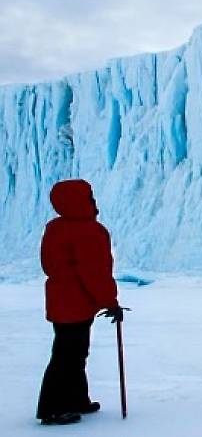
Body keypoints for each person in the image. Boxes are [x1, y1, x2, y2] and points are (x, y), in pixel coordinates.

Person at [36, 179, 125, 425]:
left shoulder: (55, 228)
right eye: (89, 197)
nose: (93, 201)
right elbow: (95, 273)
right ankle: (52, 409)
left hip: (59, 301)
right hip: (76, 303)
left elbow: (49, 264)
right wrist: (110, 302)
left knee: (71, 353)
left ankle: (76, 399)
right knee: (68, 356)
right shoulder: (89, 232)